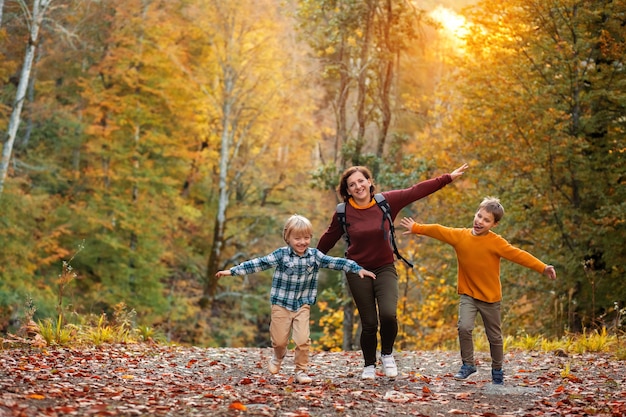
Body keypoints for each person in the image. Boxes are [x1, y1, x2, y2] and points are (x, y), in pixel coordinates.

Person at [317, 163, 469, 380]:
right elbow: (328, 239)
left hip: (384, 267)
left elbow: (416, 190)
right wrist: (310, 258)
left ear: (369, 182)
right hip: (357, 270)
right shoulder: (343, 212)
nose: (358, 186)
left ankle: (387, 354)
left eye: (361, 181)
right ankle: (369, 364)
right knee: (369, 322)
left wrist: (447, 178)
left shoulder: (385, 202)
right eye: (352, 184)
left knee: (388, 314)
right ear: (347, 190)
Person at [400, 196, 557, 385]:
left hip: (490, 298)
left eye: (486, 220)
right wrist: (417, 227)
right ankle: (468, 364)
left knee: (494, 337)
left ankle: (497, 369)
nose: (479, 221)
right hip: (468, 295)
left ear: (494, 224)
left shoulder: (496, 242)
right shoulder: (461, 236)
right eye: (479, 216)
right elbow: (440, 230)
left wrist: (542, 267)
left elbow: (518, 255)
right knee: (464, 327)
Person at [216, 214, 376, 384]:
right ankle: (278, 356)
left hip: (302, 304)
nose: (302, 242)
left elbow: (337, 262)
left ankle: (301, 370)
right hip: (281, 304)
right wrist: (233, 271)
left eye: (306, 238)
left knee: (302, 340)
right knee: (279, 341)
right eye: (297, 238)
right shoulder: (281, 255)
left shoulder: (314, 256)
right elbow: (259, 263)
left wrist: (357, 268)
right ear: (288, 238)